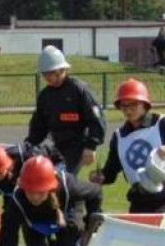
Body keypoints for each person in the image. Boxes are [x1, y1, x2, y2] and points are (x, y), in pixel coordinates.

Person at [0, 142, 102, 246]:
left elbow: (49, 177)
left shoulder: (30, 160)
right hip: (25, 190)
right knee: (18, 217)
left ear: (10, 166)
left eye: (0, 172)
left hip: (52, 169)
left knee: (55, 218)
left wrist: (89, 225)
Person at [91, 78, 165, 213]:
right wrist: (100, 177)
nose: (128, 110)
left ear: (144, 104)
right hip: (139, 199)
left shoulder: (164, 123)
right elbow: (111, 171)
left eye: (133, 104)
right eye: (124, 106)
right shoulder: (119, 137)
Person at [24, 45, 106, 175]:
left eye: (52, 73)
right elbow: (38, 125)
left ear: (62, 70)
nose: (49, 77)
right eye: (46, 74)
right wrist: (29, 144)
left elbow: (96, 119)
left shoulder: (79, 90)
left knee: (62, 181)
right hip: (55, 145)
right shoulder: (44, 96)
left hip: (77, 145)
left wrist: (91, 146)